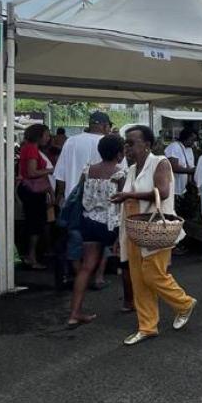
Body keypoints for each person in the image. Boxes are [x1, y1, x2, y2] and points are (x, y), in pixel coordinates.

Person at [113, 125, 196, 346]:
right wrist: (118, 236)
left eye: (131, 143)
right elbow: (126, 202)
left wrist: (129, 194)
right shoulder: (131, 169)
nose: (127, 147)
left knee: (152, 274)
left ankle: (184, 303)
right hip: (133, 229)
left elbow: (163, 192)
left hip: (156, 229)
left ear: (147, 145)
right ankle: (147, 326)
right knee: (138, 279)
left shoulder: (160, 162)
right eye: (126, 143)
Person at [66, 134, 126, 327]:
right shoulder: (120, 173)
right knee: (126, 265)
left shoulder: (87, 170)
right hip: (112, 224)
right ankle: (130, 302)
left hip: (89, 222)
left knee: (86, 267)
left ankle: (75, 313)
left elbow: (81, 193)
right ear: (119, 153)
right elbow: (123, 203)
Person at [52, 112, 113, 288]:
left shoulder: (71, 141)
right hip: (101, 201)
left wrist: (60, 197)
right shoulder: (107, 142)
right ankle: (98, 277)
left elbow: (60, 175)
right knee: (102, 241)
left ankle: (81, 276)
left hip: (74, 201)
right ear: (103, 125)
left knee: (75, 241)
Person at [17, 124, 54, 271]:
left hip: (29, 190)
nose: (48, 138)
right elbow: (32, 172)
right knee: (36, 224)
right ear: (39, 135)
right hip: (33, 191)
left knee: (33, 223)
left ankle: (30, 255)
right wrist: (50, 170)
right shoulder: (32, 149)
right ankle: (32, 257)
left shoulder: (27, 147)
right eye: (46, 135)